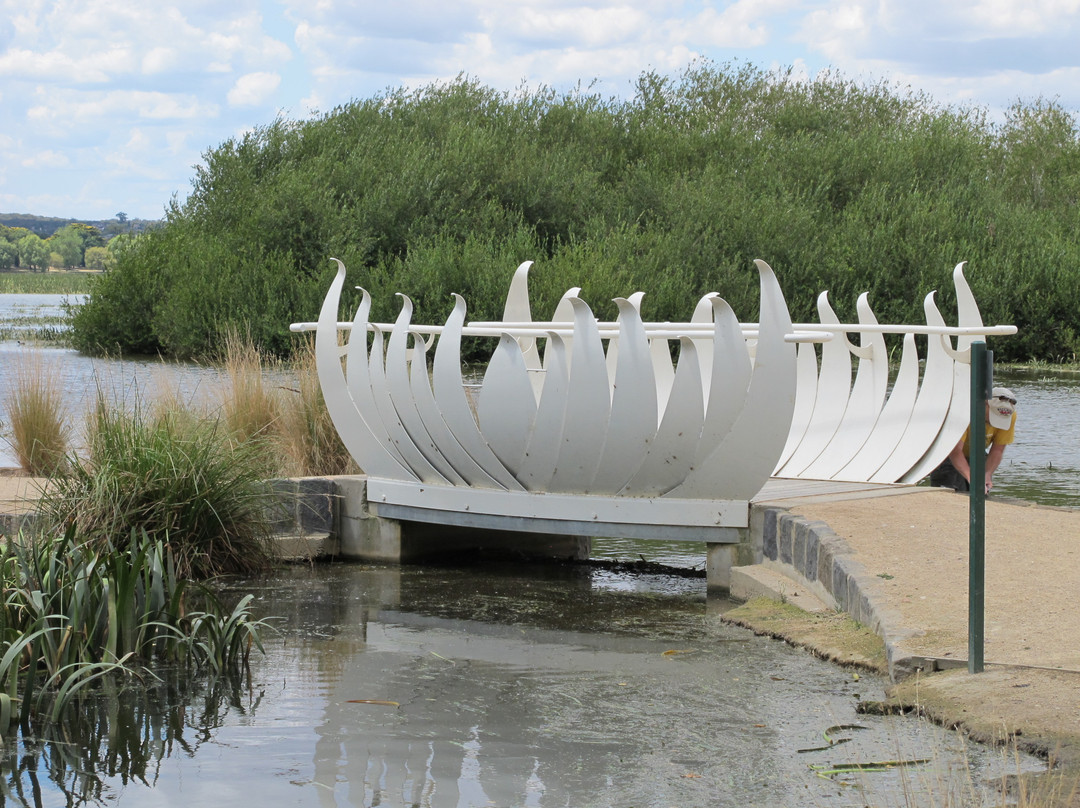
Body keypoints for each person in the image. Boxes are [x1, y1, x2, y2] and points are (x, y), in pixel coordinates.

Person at [929, 387, 1017, 493]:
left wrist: (987, 474)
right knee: (950, 495)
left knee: (980, 492)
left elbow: (998, 450)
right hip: (946, 454)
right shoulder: (964, 412)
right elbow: (955, 451)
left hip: (977, 455)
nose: (996, 422)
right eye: (994, 416)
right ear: (985, 404)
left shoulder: (1009, 415)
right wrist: (972, 478)